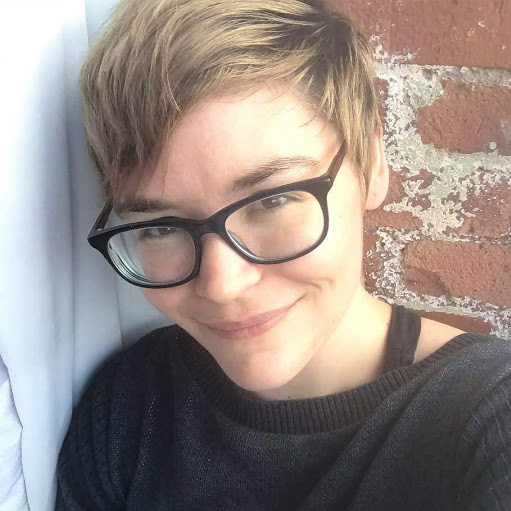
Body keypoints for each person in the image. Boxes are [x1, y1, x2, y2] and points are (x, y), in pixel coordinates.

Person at [55, 0, 511, 509]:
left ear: (372, 163)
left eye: (272, 201)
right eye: (160, 227)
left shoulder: (488, 415)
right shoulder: (128, 409)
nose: (222, 285)